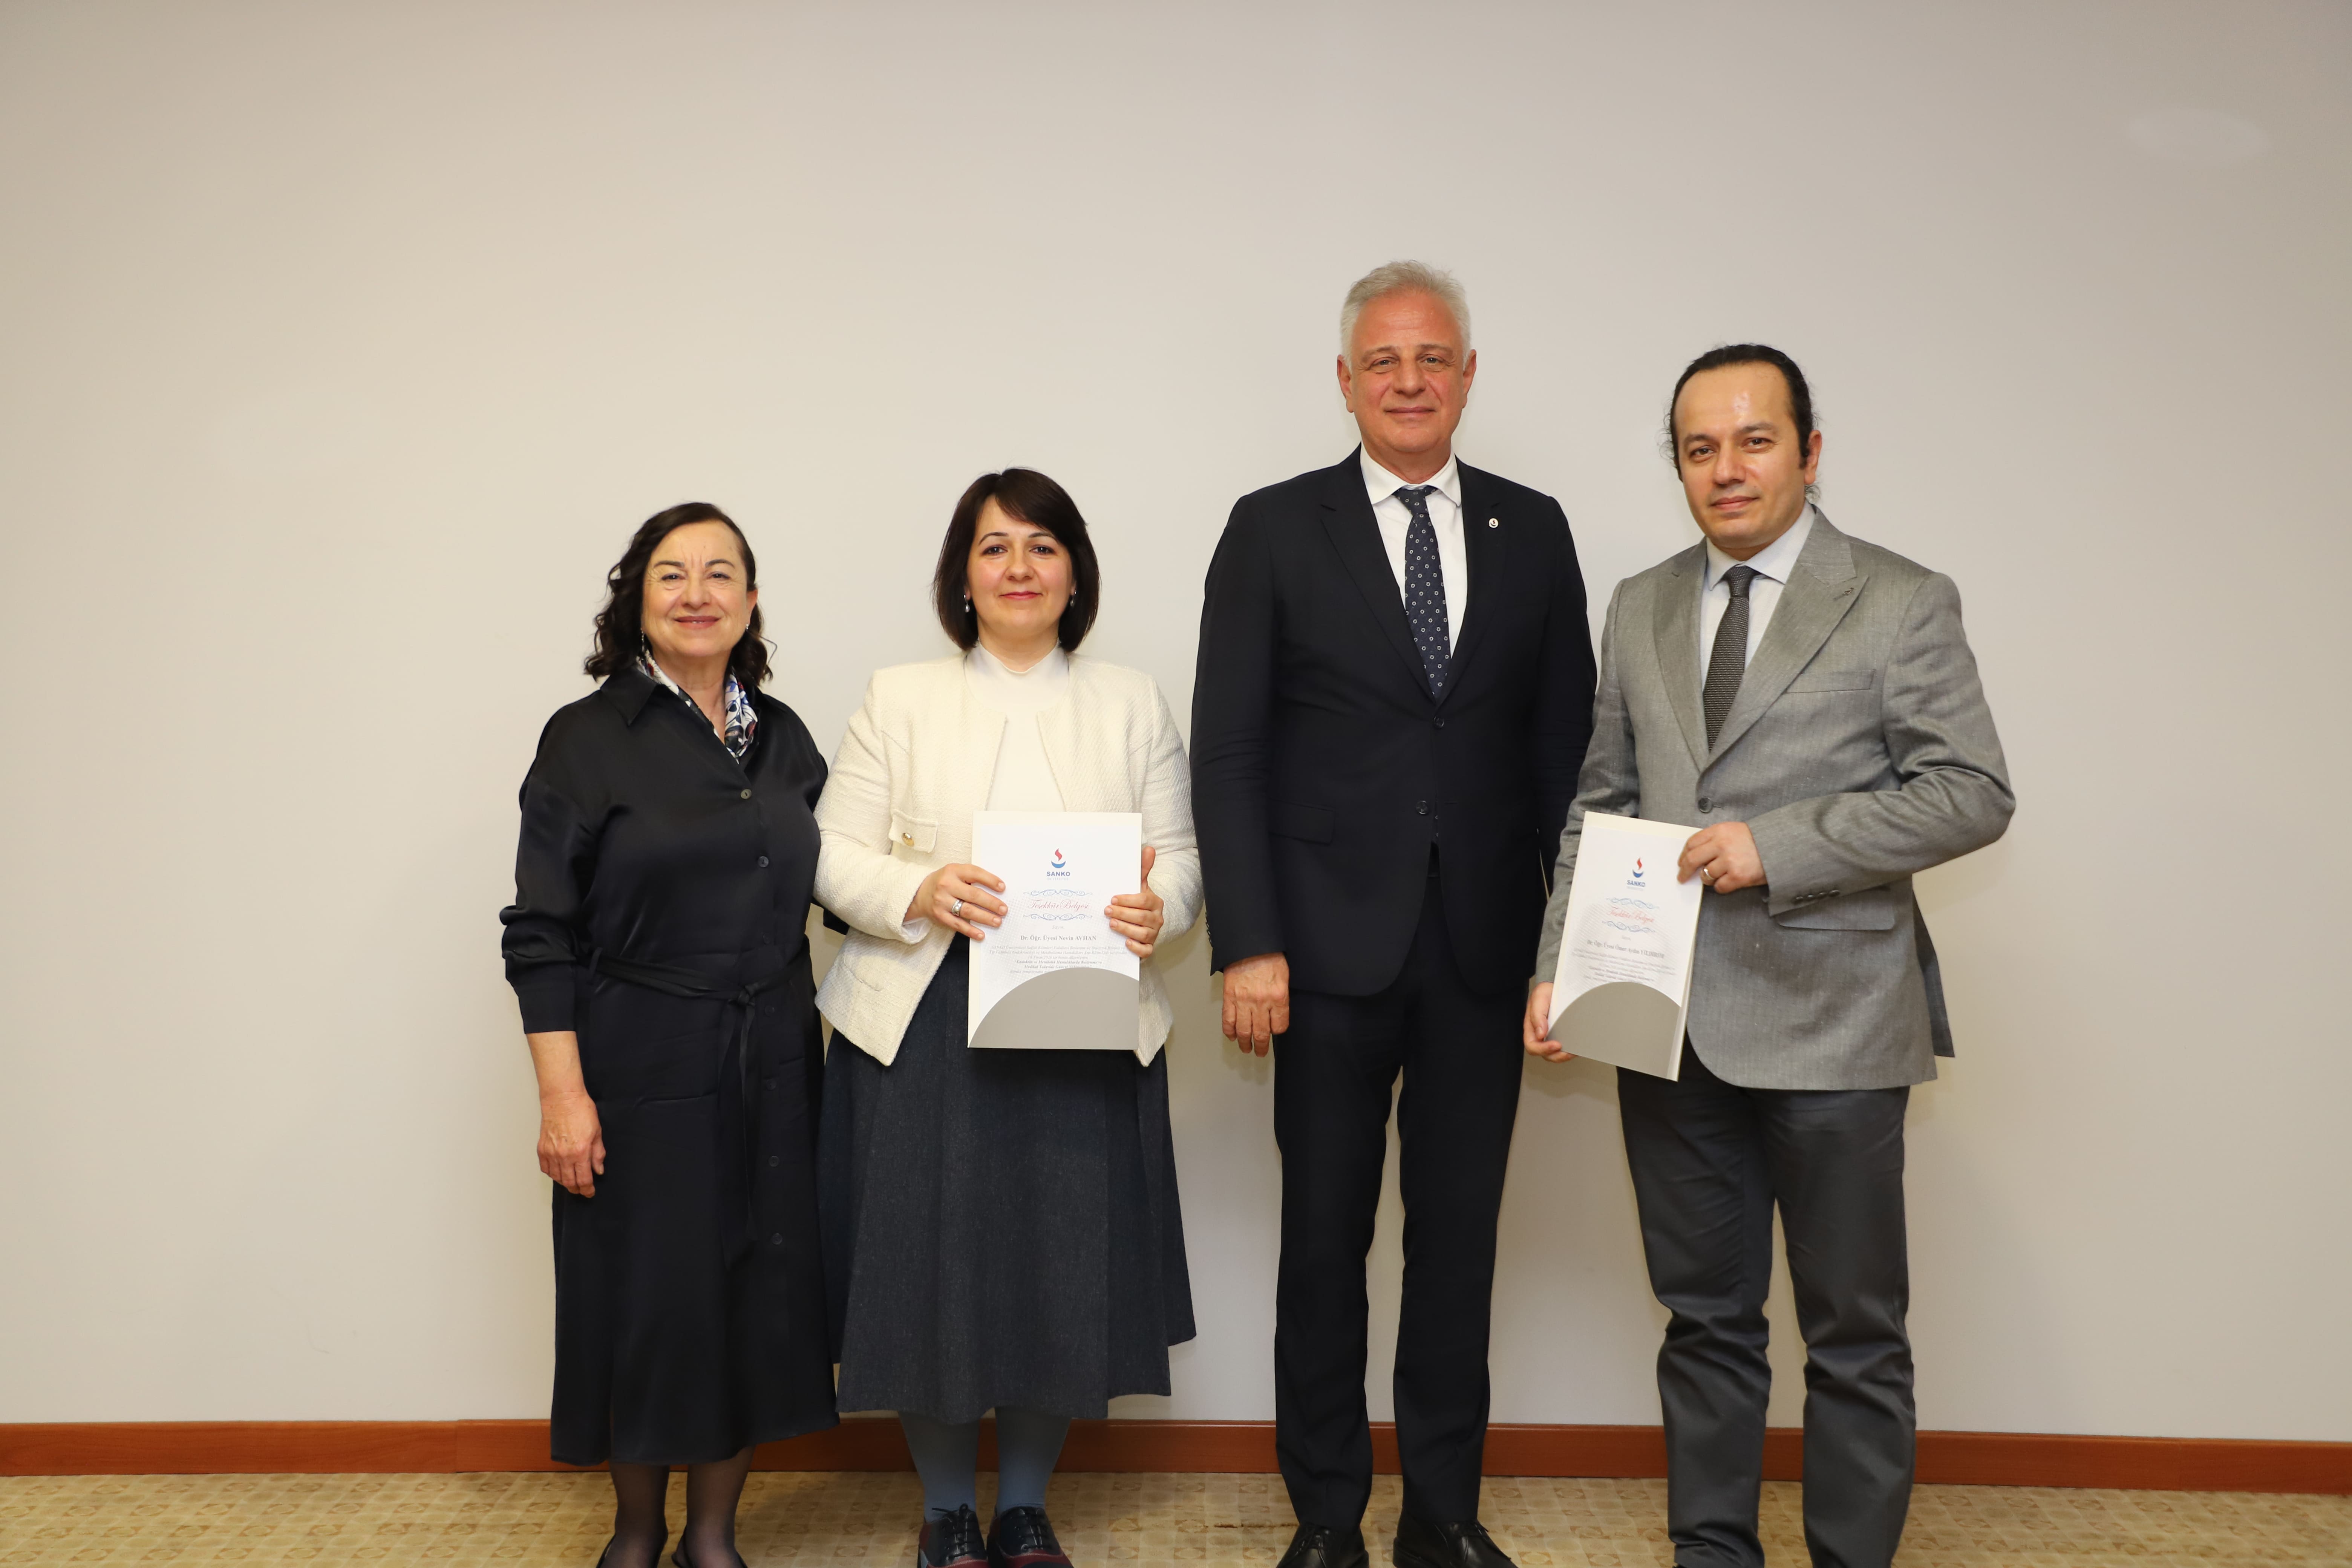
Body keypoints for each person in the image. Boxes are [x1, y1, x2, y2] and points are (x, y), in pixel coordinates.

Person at [1524, 346, 2014, 1568]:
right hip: (1668, 1021)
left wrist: (1779, 846)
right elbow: (1602, 801)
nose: (1727, 470)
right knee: (1704, 1323)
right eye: (1700, 449)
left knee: (1854, 1335)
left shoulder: (1901, 598)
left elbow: (1971, 792)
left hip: (1838, 1027)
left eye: (1754, 441)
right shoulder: (1640, 602)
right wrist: (1559, 962)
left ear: (1809, 450)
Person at [1190, 262, 1597, 1568]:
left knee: (1458, 1245)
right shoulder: (1273, 528)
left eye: (1432, 359)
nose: (1409, 381)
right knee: (1324, 1242)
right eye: (1384, 361)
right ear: (1346, 381)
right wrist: (1249, 941)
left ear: (1468, 377)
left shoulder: (1535, 530)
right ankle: (1326, 1516)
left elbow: (1566, 757)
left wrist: (1573, 953)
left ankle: (1443, 1513)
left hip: (1483, 948)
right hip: (1319, 953)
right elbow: (1229, 754)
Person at [814, 469, 1202, 1568]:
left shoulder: (1130, 700)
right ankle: (947, 1512)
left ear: (1075, 573)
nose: (1019, 568)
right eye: (994, 548)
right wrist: (920, 888)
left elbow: (1181, 859)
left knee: (1058, 1260)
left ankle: (1025, 1507)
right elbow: (829, 853)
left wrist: (1160, 907)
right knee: (925, 1265)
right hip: (925, 1017)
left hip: (1083, 1017)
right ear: (963, 578)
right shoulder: (900, 696)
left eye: (1042, 546)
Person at [499, 502, 836, 1568]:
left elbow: (843, 882)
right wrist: (563, 1096)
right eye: (672, 574)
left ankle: (714, 1539)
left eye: (720, 573)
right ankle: (637, 1535)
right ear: (637, 601)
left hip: (775, 1059)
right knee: (650, 1301)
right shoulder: (586, 737)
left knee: (752, 1294)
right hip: (639, 1062)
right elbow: (540, 933)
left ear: (751, 601)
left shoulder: (784, 738)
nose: (698, 593)